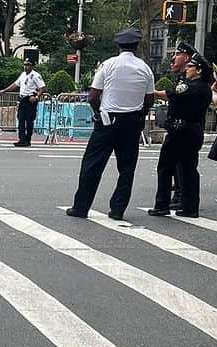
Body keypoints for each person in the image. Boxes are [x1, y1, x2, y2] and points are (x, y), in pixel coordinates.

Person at [66, 26, 155, 220]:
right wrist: (140, 114)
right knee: (127, 168)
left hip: (107, 121)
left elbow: (93, 96)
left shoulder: (108, 65)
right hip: (132, 122)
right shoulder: (145, 68)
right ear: (136, 46)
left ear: (119, 46)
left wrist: (99, 112)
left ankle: (81, 207)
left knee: (92, 165)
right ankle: (117, 210)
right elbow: (149, 99)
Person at [148, 50, 212, 218]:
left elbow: (171, 95)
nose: (187, 69)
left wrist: (151, 92)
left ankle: (162, 204)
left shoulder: (190, 87)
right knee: (189, 170)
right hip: (194, 131)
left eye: (190, 66)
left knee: (165, 168)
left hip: (179, 131)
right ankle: (190, 207)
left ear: (198, 70)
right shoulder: (205, 88)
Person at [1, 60, 45, 147]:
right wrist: (5, 90)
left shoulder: (35, 75)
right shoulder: (23, 75)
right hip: (22, 99)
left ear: (32, 66)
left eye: (28, 65)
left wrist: (36, 97)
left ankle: (28, 139)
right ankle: (22, 139)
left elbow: (42, 88)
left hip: (30, 99)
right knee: (21, 119)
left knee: (29, 120)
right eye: (25, 65)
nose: (26, 67)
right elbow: (15, 84)